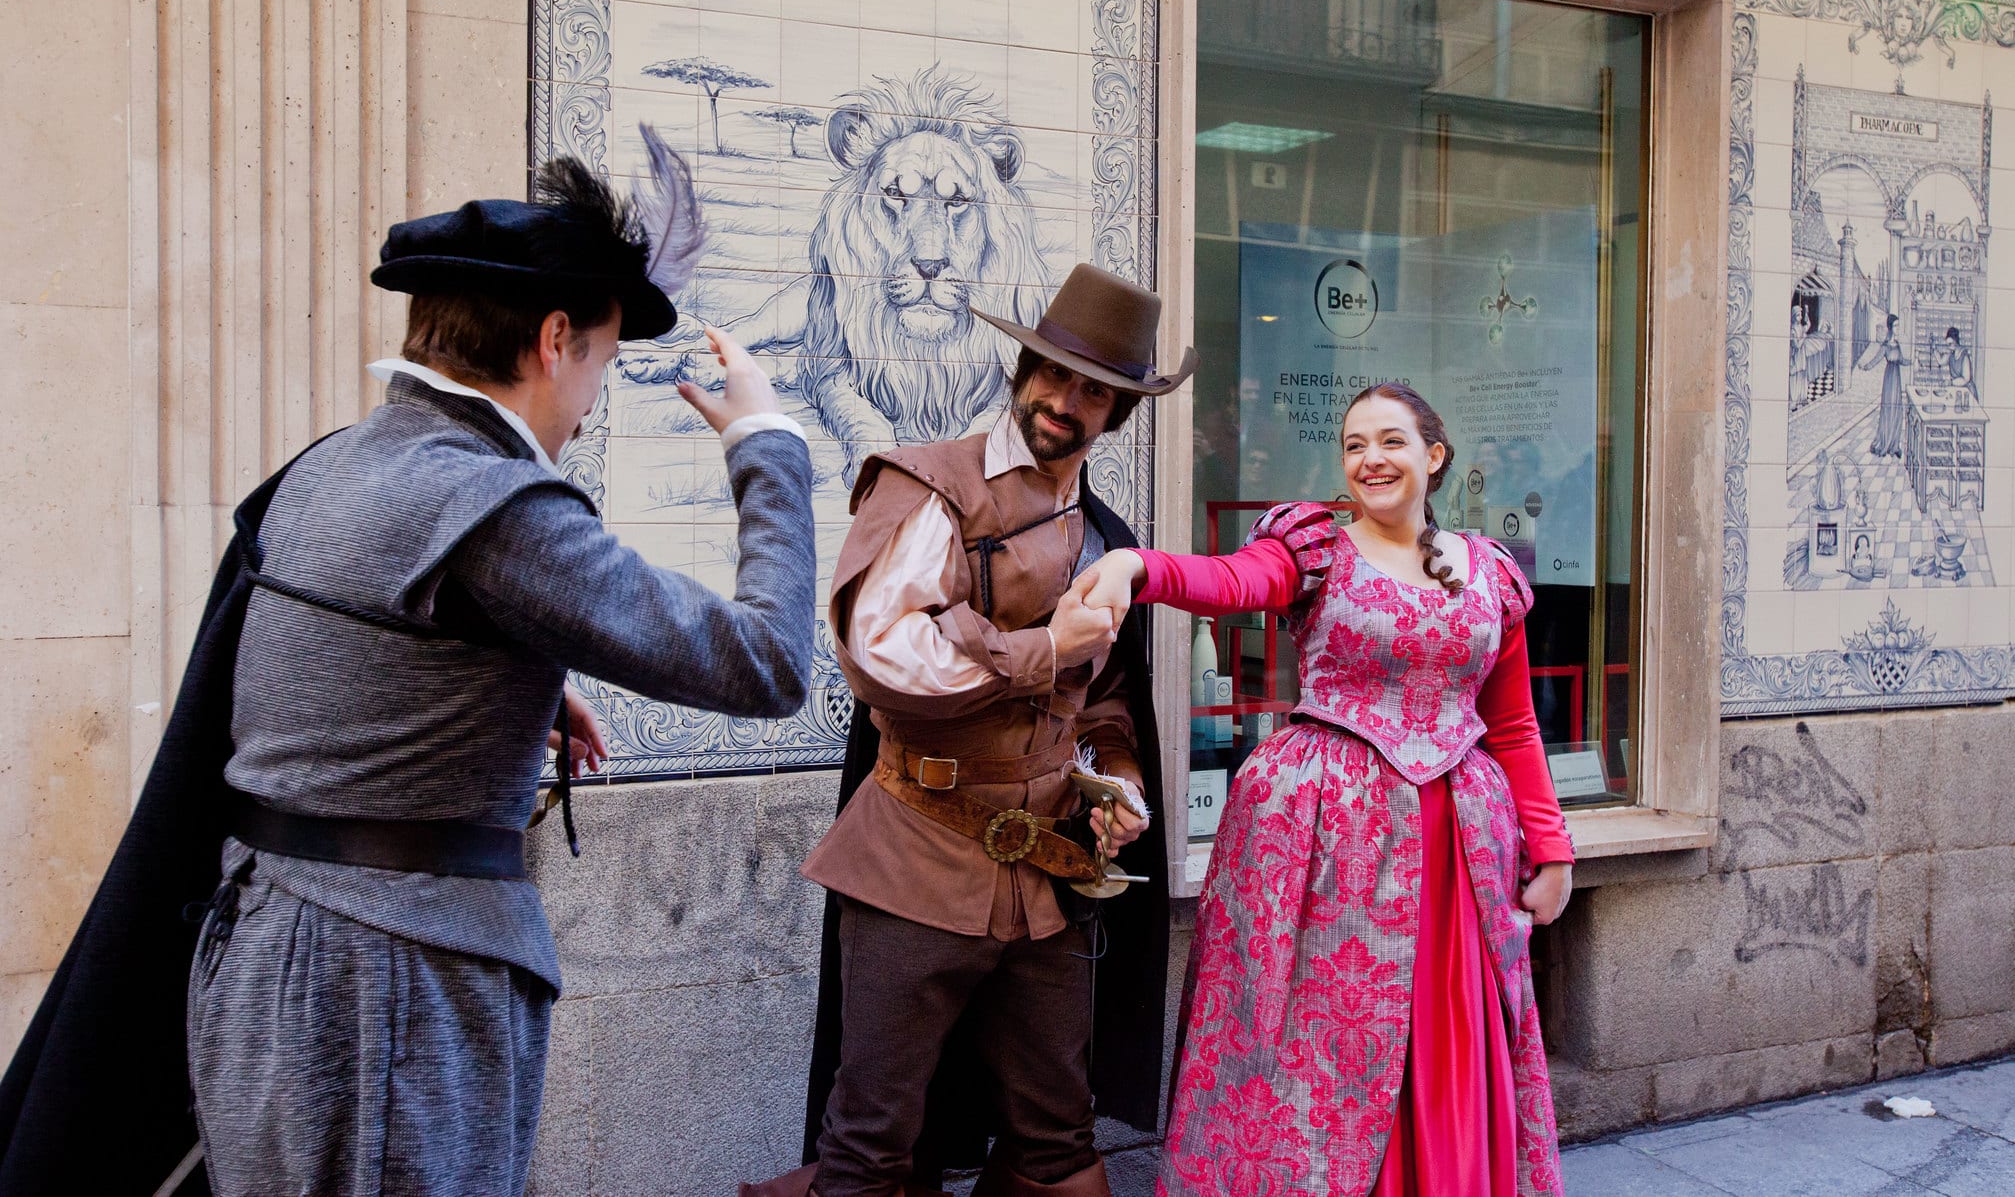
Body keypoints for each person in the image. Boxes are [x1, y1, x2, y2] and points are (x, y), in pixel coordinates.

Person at [0, 156, 817, 1197]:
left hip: (262, 954)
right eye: (602, 364)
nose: (588, 400)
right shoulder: (495, 509)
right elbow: (766, 663)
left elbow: (340, 660)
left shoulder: (327, 467)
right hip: (387, 988)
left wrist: (507, 682)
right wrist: (766, 442)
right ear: (554, 339)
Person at [747, 264, 1195, 1197]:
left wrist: (1122, 783)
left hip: (1045, 875)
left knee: (1058, 1141)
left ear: (1118, 414)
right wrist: (1041, 647)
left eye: (1095, 391)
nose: (1065, 402)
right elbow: (881, 654)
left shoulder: (1106, 539)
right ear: (1021, 367)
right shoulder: (931, 484)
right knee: (873, 1143)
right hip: (915, 857)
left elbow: (1108, 697)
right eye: (1053, 374)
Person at [1077, 381, 1575, 1196]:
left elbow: (1513, 724)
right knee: (1314, 1044)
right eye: (1354, 445)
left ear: (1433, 456)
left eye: (1390, 441)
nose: (1370, 459)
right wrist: (1141, 566)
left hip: (1458, 847)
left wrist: (1550, 847)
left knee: (1443, 1031)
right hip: (1326, 842)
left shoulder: (1489, 573)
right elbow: (1232, 580)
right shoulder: (1315, 549)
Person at [1859, 313, 1908, 457]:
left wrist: (1913, 361)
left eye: (1899, 325)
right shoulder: (1886, 346)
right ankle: (1885, 444)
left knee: (1897, 411)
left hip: (1896, 379)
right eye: (1896, 325)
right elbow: (1875, 360)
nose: (1898, 328)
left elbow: (1902, 360)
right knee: (1888, 410)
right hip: (1889, 379)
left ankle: (1894, 445)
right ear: (1891, 327)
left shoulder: (1897, 345)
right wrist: (1865, 367)